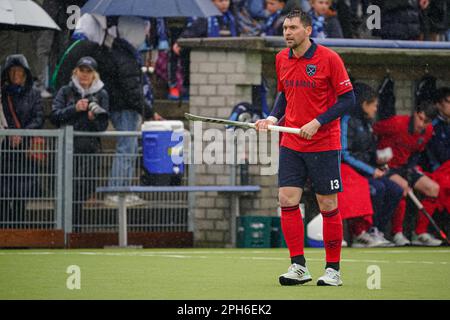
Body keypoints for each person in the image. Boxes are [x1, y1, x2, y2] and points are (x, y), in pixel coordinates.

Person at [255, 9, 355, 286]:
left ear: (308, 31)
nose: (287, 33)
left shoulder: (329, 59)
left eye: (293, 28)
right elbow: (285, 94)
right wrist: (273, 118)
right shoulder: (281, 59)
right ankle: (298, 266)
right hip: (292, 143)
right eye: (285, 28)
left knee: (327, 203)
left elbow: (348, 100)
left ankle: (333, 269)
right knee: (287, 199)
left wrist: (318, 122)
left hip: (323, 143)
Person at [340, 83, 402, 247]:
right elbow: (345, 154)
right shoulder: (347, 121)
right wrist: (371, 170)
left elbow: (368, 151)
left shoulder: (367, 123)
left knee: (395, 189)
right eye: (373, 105)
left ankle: (376, 229)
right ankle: (360, 233)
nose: (375, 109)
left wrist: (379, 160)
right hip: (350, 172)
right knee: (378, 189)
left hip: (367, 171)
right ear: (364, 104)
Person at [50, 57, 109, 226]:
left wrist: (93, 117)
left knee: (83, 191)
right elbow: (54, 116)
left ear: (94, 75)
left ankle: (75, 229)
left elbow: (103, 125)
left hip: (90, 151)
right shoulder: (65, 91)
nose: (84, 75)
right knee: (66, 191)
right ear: (75, 72)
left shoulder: (102, 93)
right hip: (67, 150)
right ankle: (66, 229)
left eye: (88, 71)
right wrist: (74, 109)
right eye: (81, 70)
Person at [373, 101, 440, 246]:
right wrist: (378, 155)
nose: (421, 124)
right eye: (420, 118)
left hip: (406, 167)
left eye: (426, 121)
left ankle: (420, 233)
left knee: (433, 189)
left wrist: (410, 169)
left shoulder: (428, 132)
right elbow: (373, 131)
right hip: (385, 167)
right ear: (415, 114)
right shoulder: (397, 123)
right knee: (402, 187)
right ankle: (397, 233)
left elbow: (417, 152)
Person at [0, 54, 44, 226]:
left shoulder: (34, 94)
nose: (16, 75)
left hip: (25, 152)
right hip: (5, 150)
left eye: (19, 71)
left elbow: (38, 118)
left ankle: (19, 234)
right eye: (12, 71)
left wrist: (22, 133)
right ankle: (4, 234)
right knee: (3, 195)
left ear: (26, 73)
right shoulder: (2, 95)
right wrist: (9, 134)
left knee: (20, 195)